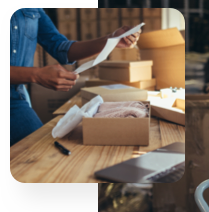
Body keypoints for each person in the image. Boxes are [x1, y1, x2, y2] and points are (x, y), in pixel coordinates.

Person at [9, 8, 141, 147]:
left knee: (41, 152)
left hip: (15, 99)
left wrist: (111, 40)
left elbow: (61, 47)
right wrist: (36, 75)